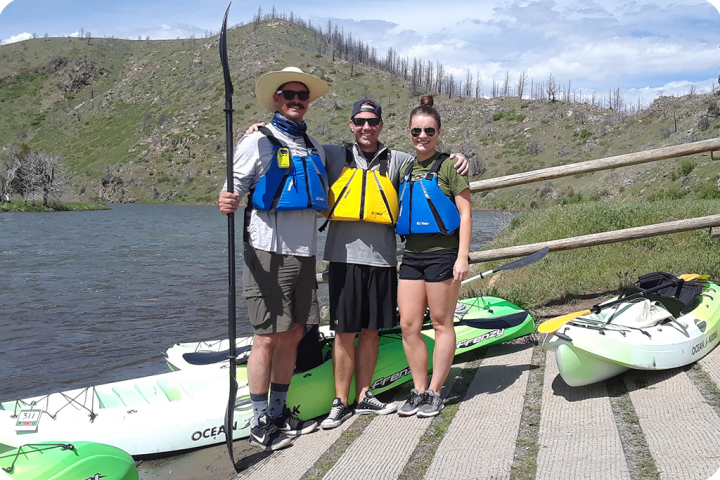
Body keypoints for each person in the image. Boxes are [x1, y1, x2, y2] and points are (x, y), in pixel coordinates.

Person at [244, 99, 468, 430]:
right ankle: (340, 401)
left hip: (383, 260)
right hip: (343, 258)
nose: (366, 127)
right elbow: (295, 147)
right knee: (344, 331)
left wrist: (458, 157)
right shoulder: (332, 155)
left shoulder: (399, 161)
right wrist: (260, 132)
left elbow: (432, 159)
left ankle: (364, 395)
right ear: (351, 124)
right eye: (360, 121)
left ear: (381, 125)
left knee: (373, 331)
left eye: (373, 121)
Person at [218, 66, 328, 451]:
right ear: (277, 99)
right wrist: (225, 200)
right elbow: (233, 186)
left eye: (302, 96)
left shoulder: (312, 145)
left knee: (295, 332)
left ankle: (280, 410)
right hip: (267, 250)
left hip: (305, 254)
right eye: (289, 95)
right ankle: (258, 419)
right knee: (266, 336)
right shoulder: (257, 140)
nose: (296, 101)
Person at [396, 94, 472, 418]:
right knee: (409, 325)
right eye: (416, 131)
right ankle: (418, 388)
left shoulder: (450, 167)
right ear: (409, 133)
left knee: (442, 324)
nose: (422, 137)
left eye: (429, 131)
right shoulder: (404, 168)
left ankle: (435, 391)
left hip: (444, 254)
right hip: (411, 255)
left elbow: (466, 214)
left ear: (438, 132)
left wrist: (463, 257)